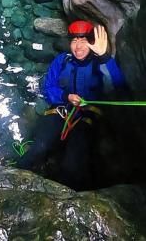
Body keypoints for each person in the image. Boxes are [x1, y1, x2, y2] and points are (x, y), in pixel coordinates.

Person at [15, 20, 127, 189]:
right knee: (39, 149)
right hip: (61, 109)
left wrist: (104, 57)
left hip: (87, 116)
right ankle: (12, 179)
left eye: (83, 41)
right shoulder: (62, 60)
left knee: (73, 164)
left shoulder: (101, 63)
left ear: (91, 43)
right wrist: (65, 96)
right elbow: (48, 88)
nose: (78, 47)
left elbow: (118, 87)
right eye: (74, 41)